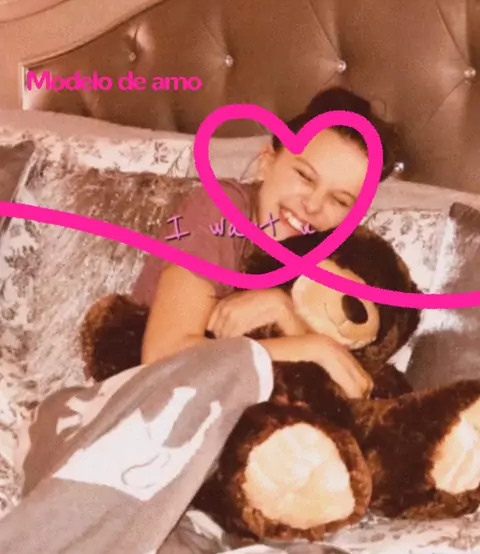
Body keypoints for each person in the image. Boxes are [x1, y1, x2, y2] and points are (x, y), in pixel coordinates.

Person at [133, 88, 401, 398]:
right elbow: (161, 355)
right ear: (267, 162)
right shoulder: (219, 208)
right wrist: (308, 349)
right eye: (305, 176)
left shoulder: (331, 259)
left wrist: (285, 314)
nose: (313, 205)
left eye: (340, 201)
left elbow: (344, 384)